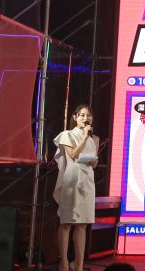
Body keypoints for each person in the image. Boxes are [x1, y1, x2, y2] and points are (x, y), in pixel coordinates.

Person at [54, 104, 99, 271]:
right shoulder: (67, 135)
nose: (86, 118)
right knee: (67, 221)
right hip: (72, 178)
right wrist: (85, 138)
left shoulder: (95, 138)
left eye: (88, 115)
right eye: (82, 115)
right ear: (75, 117)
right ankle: (64, 263)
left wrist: (92, 159)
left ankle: (79, 265)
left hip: (87, 179)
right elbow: (73, 155)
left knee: (82, 224)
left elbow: (94, 163)